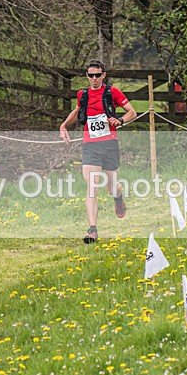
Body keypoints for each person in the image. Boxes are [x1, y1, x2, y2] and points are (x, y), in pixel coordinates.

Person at [59, 59, 136, 243]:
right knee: (92, 184)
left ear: (103, 75)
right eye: (90, 75)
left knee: (111, 186)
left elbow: (132, 112)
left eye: (97, 75)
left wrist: (120, 121)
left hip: (109, 143)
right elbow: (77, 111)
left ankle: (118, 197)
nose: (94, 78)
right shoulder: (82, 95)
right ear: (87, 76)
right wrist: (63, 126)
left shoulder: (112, 92)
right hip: (90, 144)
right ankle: (92, 229)